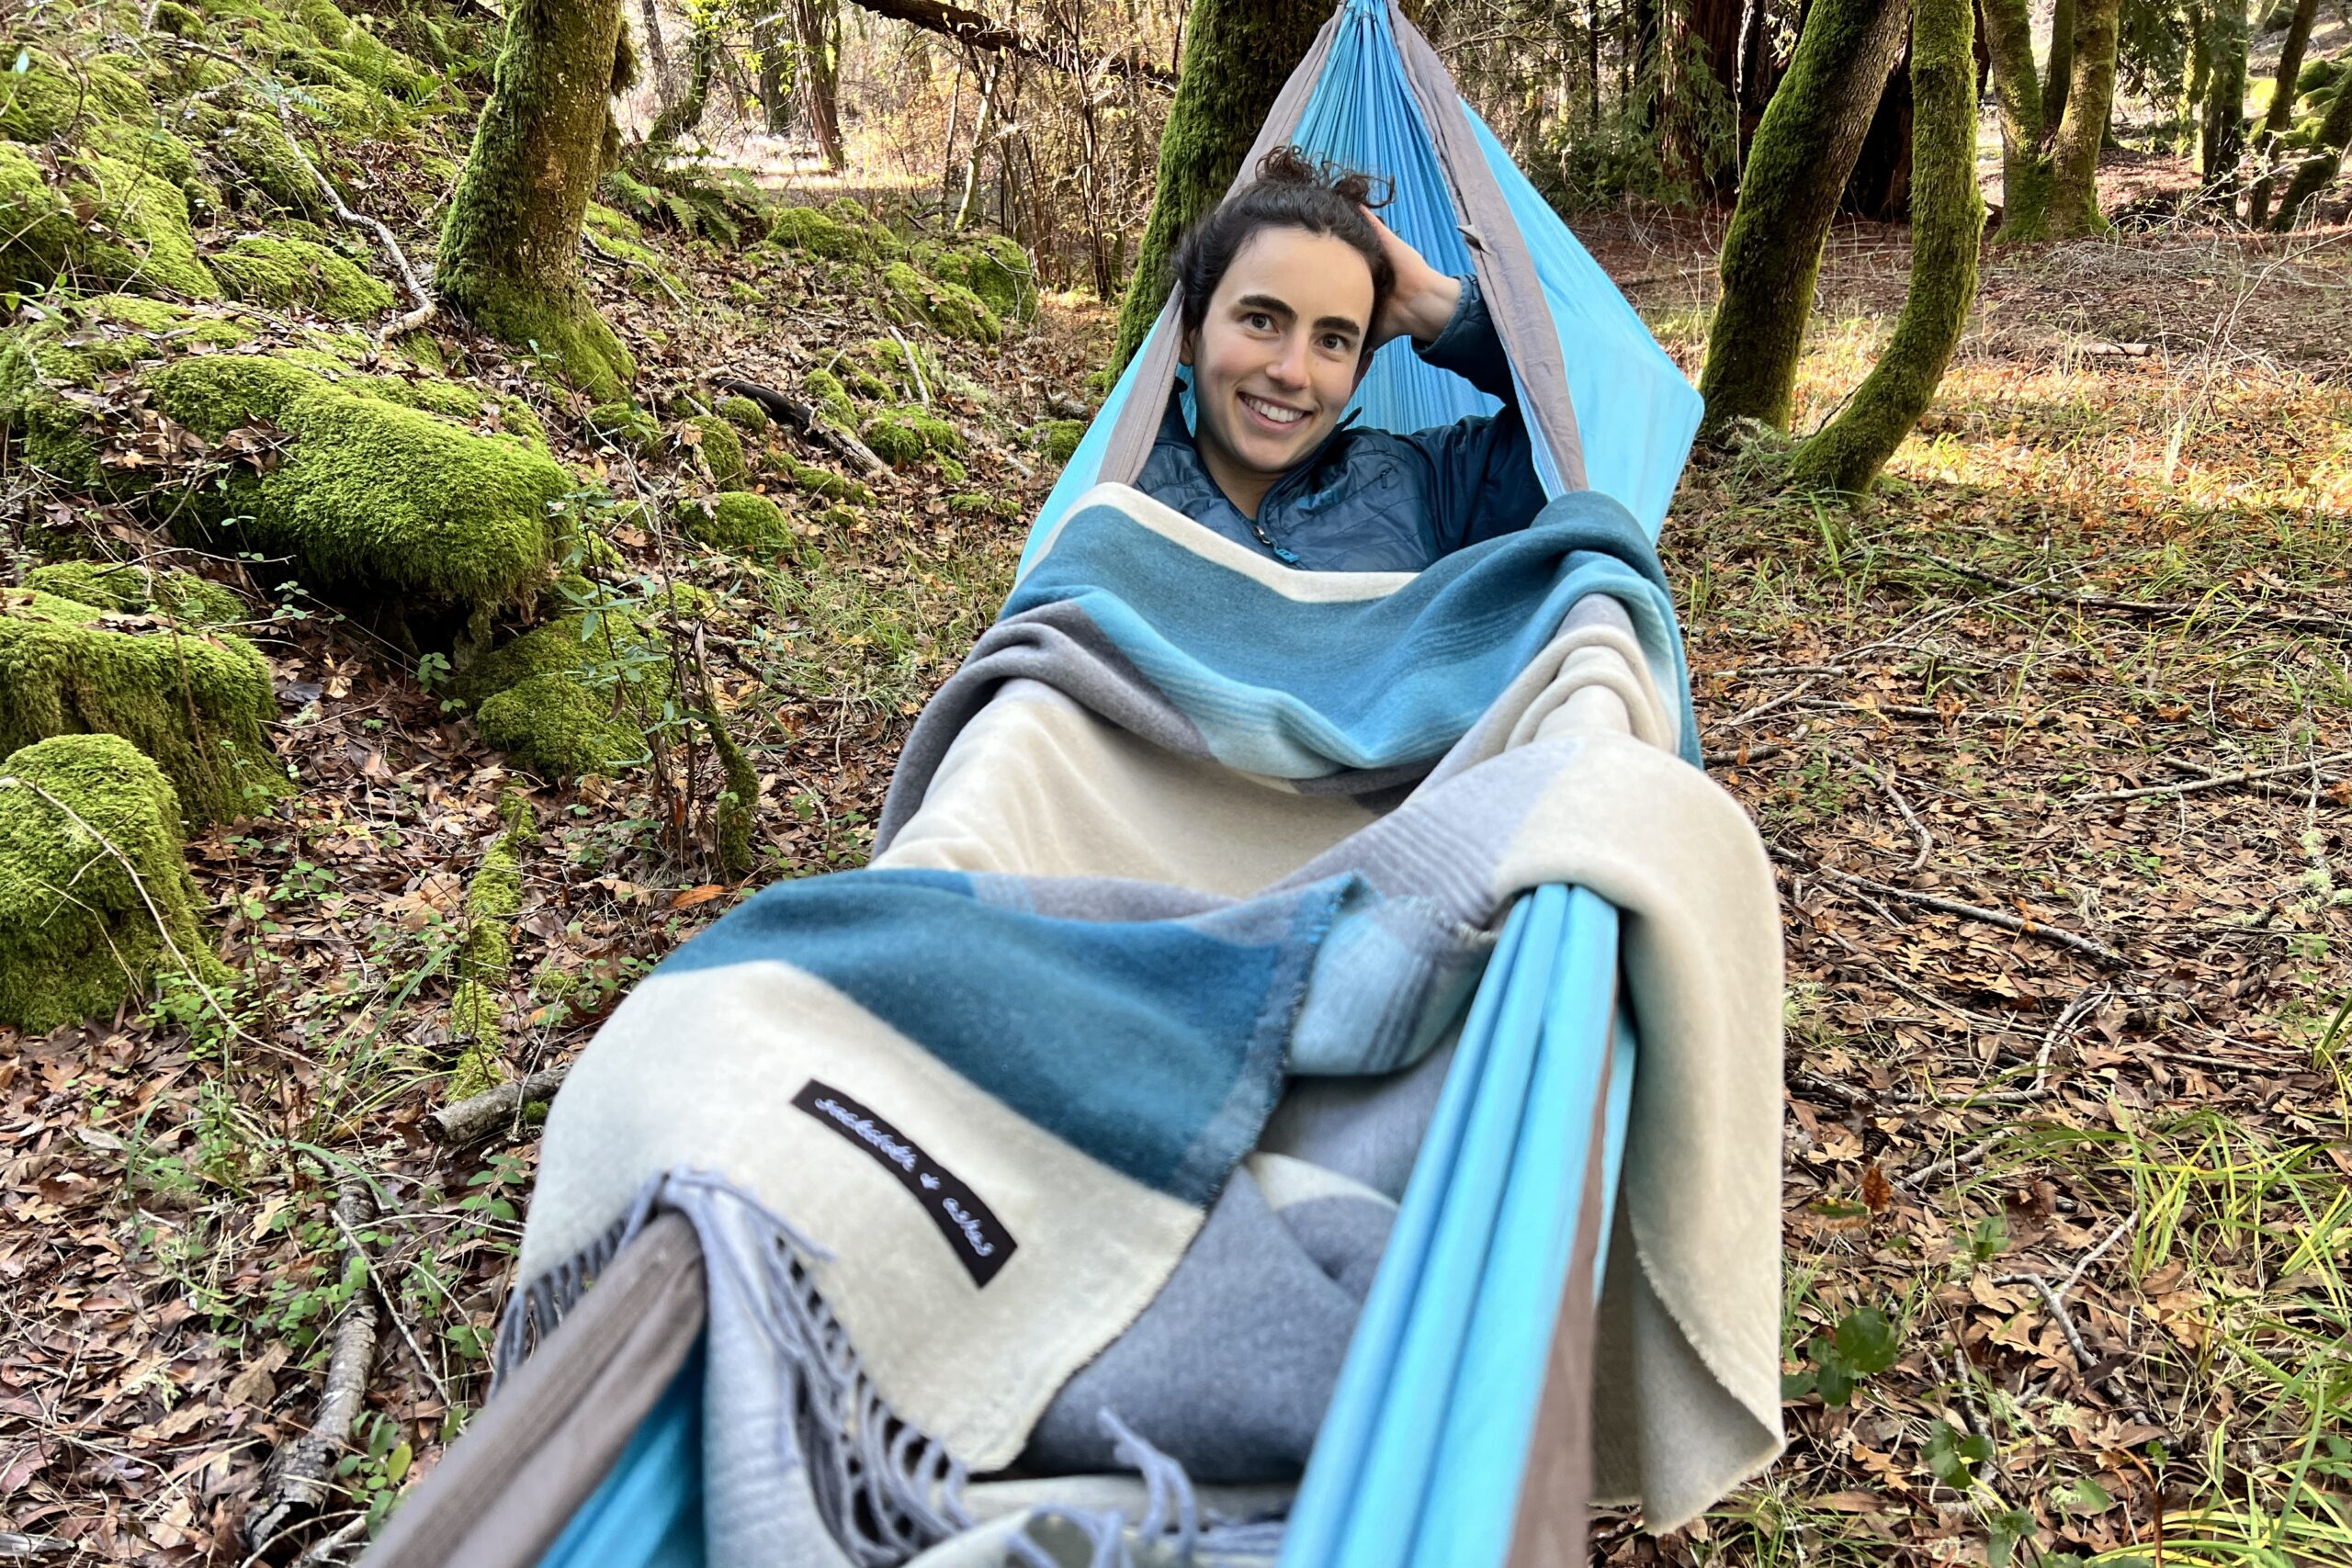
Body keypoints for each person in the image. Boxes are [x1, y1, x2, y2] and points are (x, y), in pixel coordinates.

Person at [1136, 146, 1547, 573]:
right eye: (1261, 321)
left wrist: (1433, 304)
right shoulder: (1125, 494)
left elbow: (1598, 432)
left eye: (1332, 341)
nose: (1292, 373)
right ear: (1189, 332)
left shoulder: (1425, 489)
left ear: (1358, 372)